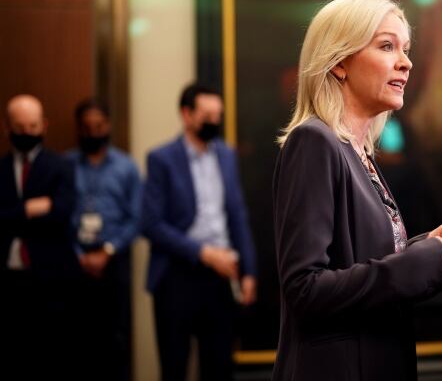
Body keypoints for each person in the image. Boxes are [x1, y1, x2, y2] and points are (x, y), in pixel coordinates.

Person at [271, 0, 442, 381]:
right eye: (387, 46)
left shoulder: (358, 151)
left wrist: (419, 248)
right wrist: (428, 260)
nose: (406, 62)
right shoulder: (314, 142)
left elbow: (356, 264)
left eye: (406, 49)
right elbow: (305, 289)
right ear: (339, 62)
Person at [142, 84, 257, 381]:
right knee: (174, 366)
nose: (213, 121)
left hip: (221, 277)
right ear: (186, 114)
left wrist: (248, 272)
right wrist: (203, 254)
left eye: (217, 115)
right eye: (206, 115)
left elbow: (238, 214)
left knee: (219, 366)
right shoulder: (161, 158)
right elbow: (151, 224)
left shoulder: (226, 155)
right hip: (177, 275)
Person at [0, 94, 78, 377]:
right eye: (20, 128)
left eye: (33, 127)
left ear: (44, 126)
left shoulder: (62, 166)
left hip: (51, 278)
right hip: (8, 279)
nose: (27, 134)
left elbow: (62, 214)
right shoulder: (1, 169)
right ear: (7, 128)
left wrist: (12, 214)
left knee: (51, 357)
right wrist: (29, 209)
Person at [66, 99, 141, 381]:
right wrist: (78, 255)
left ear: (108, 125)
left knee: (116, 339)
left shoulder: (126, 167)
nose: (93, 132)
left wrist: (107, 251)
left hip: (114, 262)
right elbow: (60, 216)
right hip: (75, 263)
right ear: (79, 129)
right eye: (87, 127)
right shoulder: (65, 165)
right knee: (78, 341)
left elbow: (137, 218)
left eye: (99, 126)